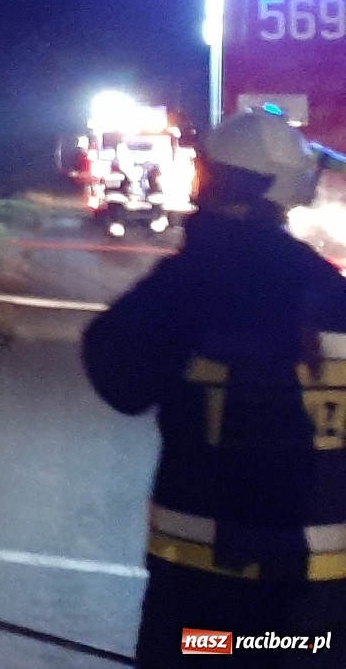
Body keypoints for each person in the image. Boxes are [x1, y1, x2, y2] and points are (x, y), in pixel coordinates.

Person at [83, 109, 346, 667]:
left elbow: (117, 378)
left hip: (200, 604)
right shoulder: (332, 294)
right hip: (317, 610)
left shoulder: (186, 286)